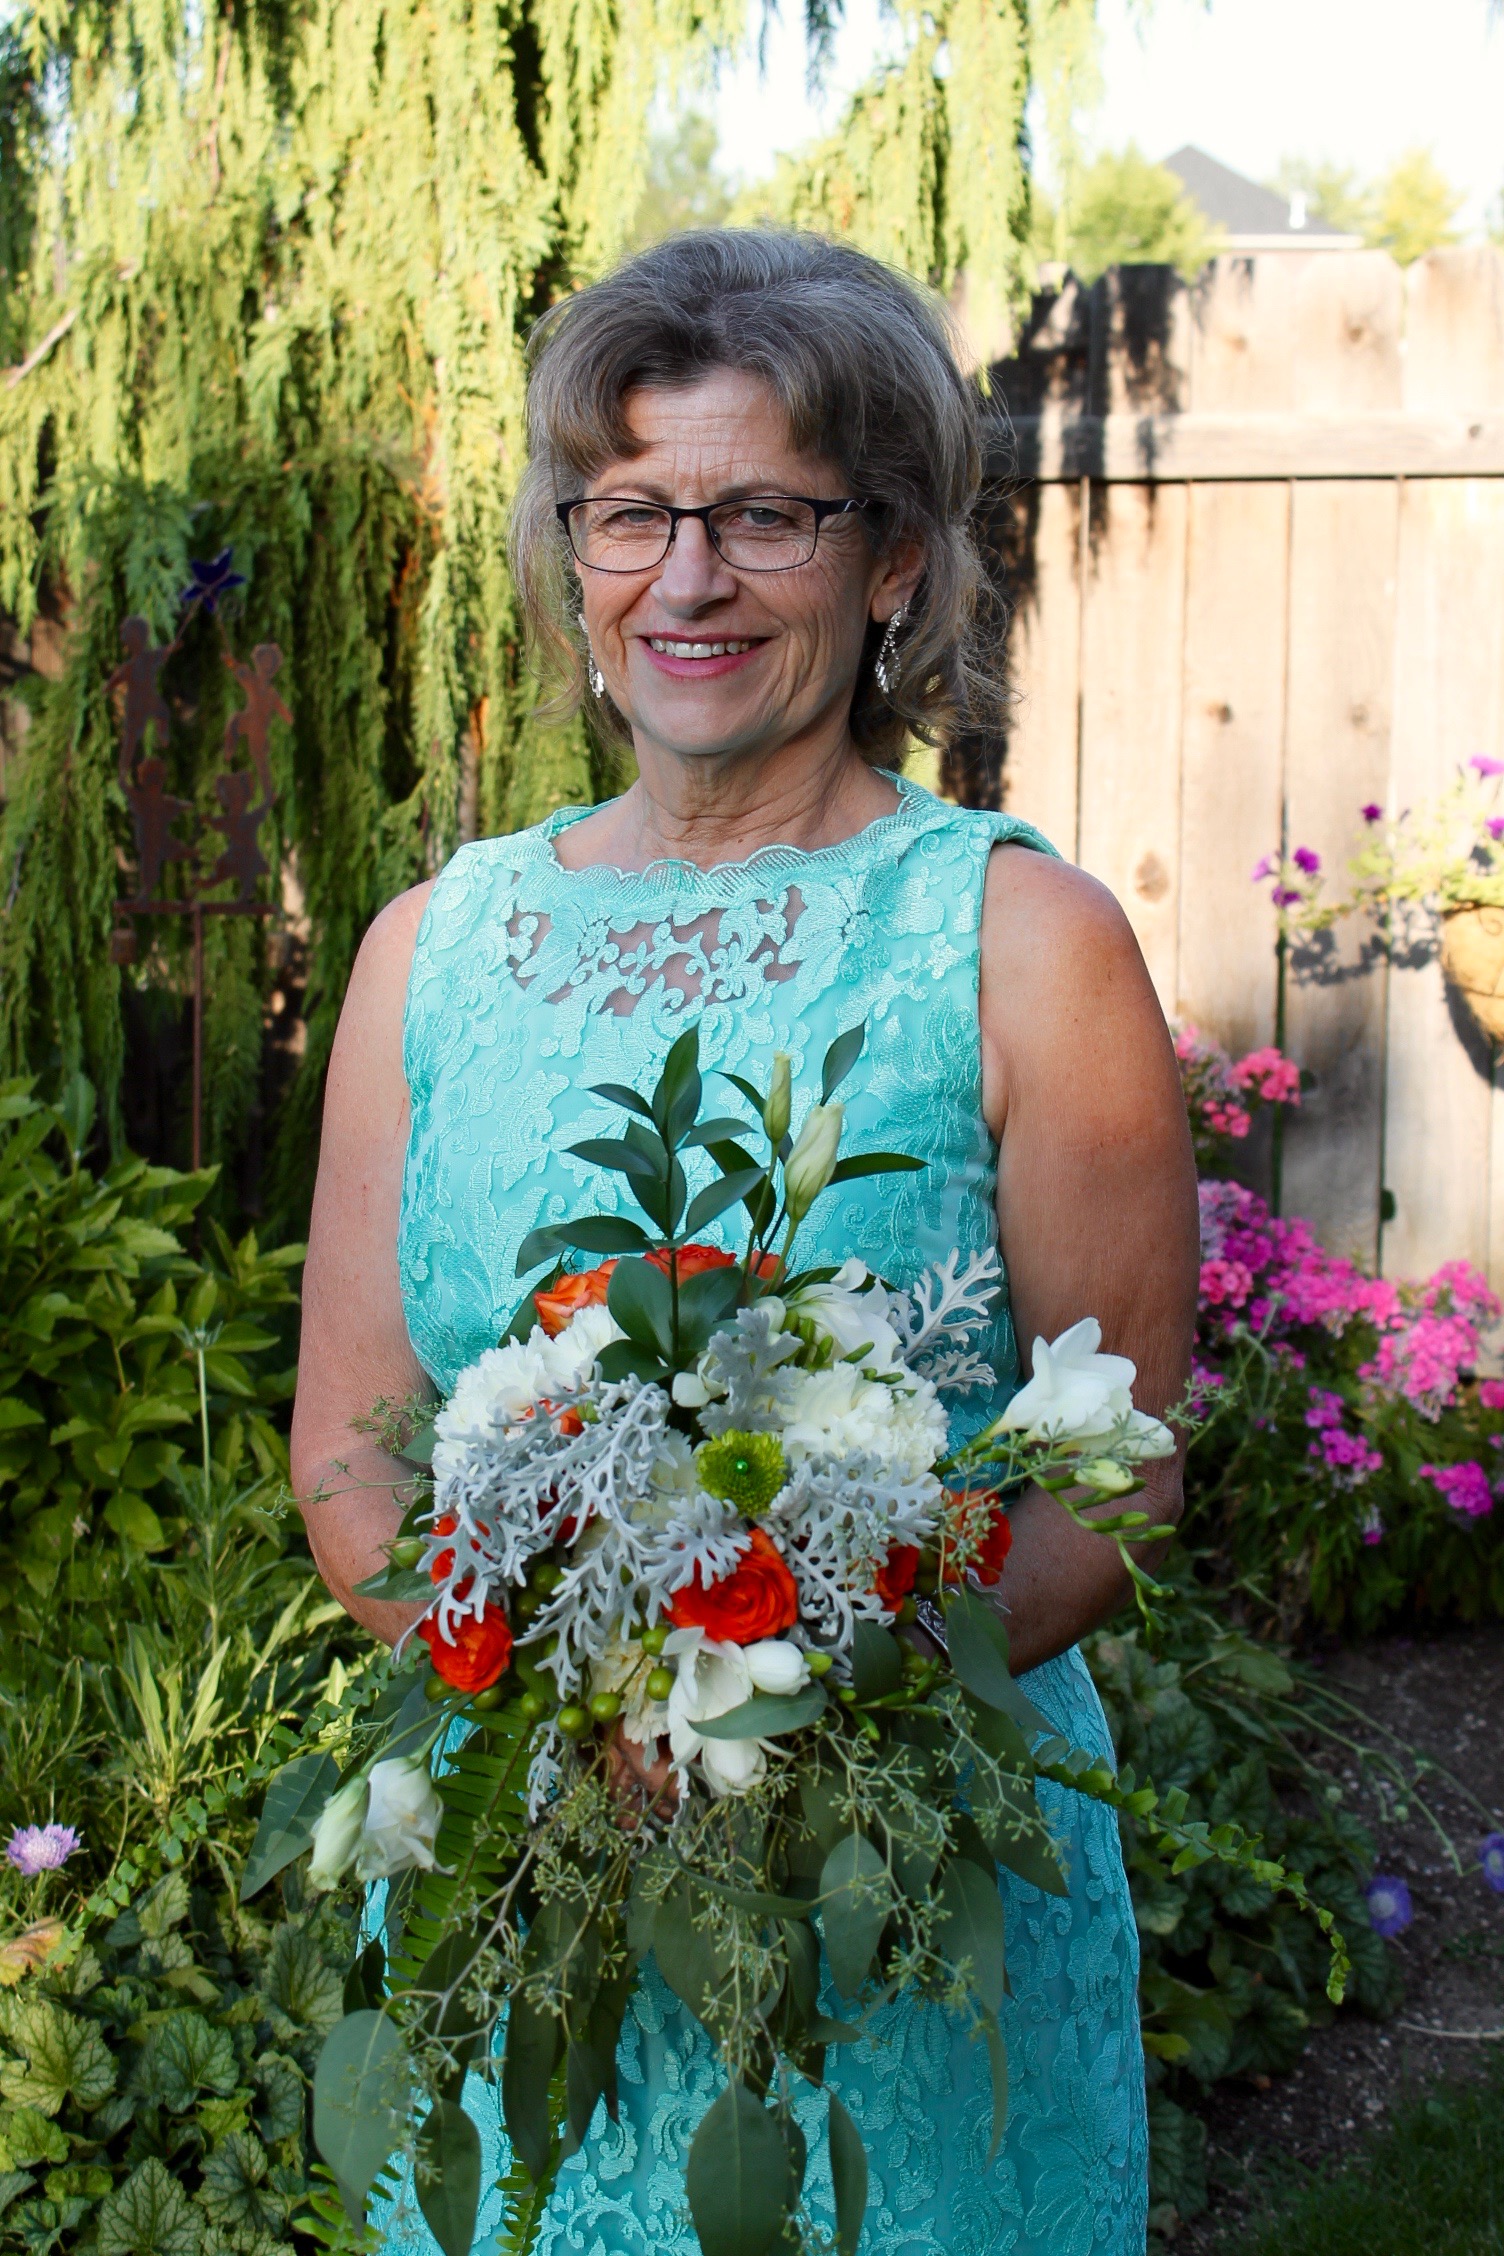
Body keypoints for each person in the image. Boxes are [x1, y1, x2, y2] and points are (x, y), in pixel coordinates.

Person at [292, 228, 1199, 2256]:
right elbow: (354, 1440)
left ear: (887, 560)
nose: (683, 579)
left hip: (897, 1887)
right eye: (629, 512)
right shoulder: (429, 953)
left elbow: (1112, 1460)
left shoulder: (1022, 945)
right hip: (521, 1897)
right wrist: (561, 1717)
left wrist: (783, 1740)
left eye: (761, 515)